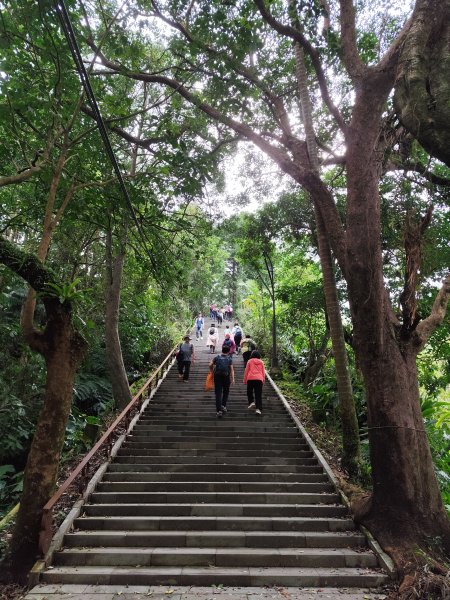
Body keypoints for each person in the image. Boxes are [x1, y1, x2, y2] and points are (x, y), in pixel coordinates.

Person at [210, 345, 235, 417]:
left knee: (218, 393)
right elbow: (232, 370)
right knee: (226, 391)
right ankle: (223, 405)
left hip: (217, 376)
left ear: (222, 350)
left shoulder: (217, 357)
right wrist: (233, 379)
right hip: (226, 377)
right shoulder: (229, 358)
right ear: (228, 351)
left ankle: (218, 411)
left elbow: (210, 364)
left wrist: (211, 371)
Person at [243, 350, 265, 415]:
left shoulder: (249, 361)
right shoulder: (261, 362)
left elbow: (246, 371)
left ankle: (251, 402)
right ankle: (258, 409)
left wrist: (244, 380)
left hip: (250, 378)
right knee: (258, 394)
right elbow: (263, 372)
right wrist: (263, 380)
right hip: (259, 379)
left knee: (249, 391)